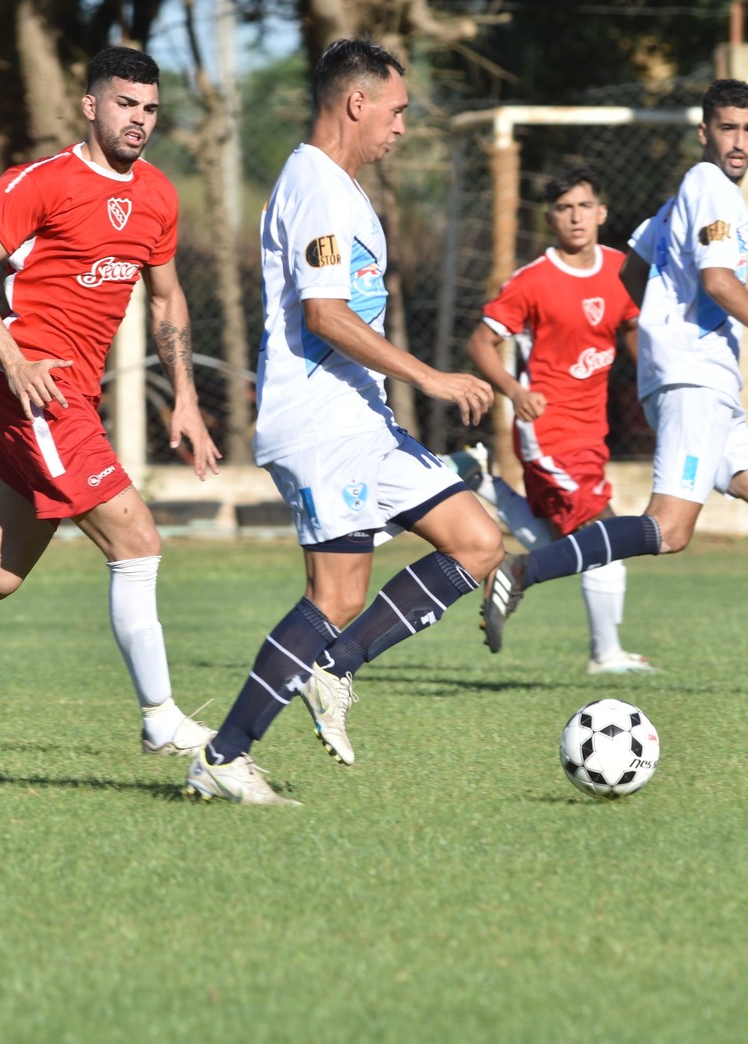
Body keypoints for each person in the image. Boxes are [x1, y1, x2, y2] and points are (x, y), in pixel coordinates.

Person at [479, 79, 748, 698]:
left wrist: (656, 333)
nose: (739, 142)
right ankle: (524, 568)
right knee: (670, 529)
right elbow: (716, 281)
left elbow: (632, 265)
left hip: (701, 384)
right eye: (729, 128)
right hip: (694, 382)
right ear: (705, 132)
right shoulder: (713, 189)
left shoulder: (686, 192)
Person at [0, 47, 222, 758]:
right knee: (136, 539)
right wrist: (14, 357)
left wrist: (184, 396)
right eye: (124, 104)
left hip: (70, 398)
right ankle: (160, 719)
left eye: (149, 108)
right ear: (91, 105)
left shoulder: (157, 194)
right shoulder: (42, 182)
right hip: (40, 395)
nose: (138, 120)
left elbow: (168, 297)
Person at [183, 39, 505, 805]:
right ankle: (223, 757)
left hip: (358, 419)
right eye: (395, 110)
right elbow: (325, 315)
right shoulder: (318, 190)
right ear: (355, 102)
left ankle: (333, 667)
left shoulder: (338, 186)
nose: (401, 126)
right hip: (321, 422)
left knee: (478, 540)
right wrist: (429, 376)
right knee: (334, 597)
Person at [446, 166, 655, 674]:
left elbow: (633, 333)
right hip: (549, 430)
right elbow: (480, 343)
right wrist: (515, 392)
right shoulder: (532, 281)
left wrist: (656, 388)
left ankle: (484, 485)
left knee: (563, 546)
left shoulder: (621, 268)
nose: (576, 217)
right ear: (550, 219)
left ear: (602, 213)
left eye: (585, 206)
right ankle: (605, 656)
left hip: (592, 430)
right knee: (604, 538)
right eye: (565, 208)